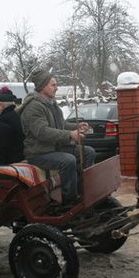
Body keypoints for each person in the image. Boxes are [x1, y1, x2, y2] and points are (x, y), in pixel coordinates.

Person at [18, 70, 96, 204]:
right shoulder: (34, 107)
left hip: (54, 149)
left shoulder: (52, 104)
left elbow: (61, 124)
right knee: (68, 161)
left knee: (88, 152)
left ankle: (82, 190)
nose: (56, 88)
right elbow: (42, 132)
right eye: (53, 85)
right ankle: (69, 200)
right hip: (39, 152)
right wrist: (69, 135)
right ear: (43, 87)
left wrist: (76, 126)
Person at [0, 86, 25, 162]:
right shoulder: (14, 115)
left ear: (2, 105)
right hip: (20, 154)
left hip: (12, 158)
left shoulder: (4, 119)